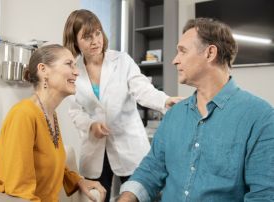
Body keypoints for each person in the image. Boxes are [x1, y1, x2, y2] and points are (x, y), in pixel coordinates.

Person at [117, 18, 274, 202]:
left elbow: (264, 195)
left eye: (182, 51)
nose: (175, 60)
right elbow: (151, 170)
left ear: (210, 53)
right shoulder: (174, 114)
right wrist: (126, 198)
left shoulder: (260, 117)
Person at [63, 9, 183, 202]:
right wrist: (90, 125)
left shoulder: (122, 61)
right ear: (74, 40)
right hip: (95, 151)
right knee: (94, 198)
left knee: (139, 196)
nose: (95, 41)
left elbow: (142, 89)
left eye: (98, 33)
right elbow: (76, 110)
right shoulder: (72, 71)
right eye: (87, 36)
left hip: (129, 145)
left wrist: (164, 100)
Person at [0, 44, 106, 202]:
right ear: (43, 70)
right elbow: (19, 192)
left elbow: (50, 162)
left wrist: (78, 181)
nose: (76, 71)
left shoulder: (50, 114)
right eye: (69, 64)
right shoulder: (23, 114)